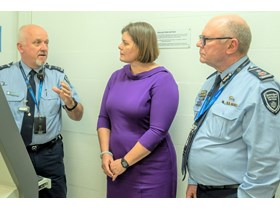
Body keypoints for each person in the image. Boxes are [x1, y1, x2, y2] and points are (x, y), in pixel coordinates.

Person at [181, 14, 280, 198]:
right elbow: (201, 133)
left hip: (235, 194)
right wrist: (194, 180)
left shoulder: (259, 88)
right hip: (203, 190)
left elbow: (267, 161)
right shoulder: (212, 82)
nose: (198, 44)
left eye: (205, 39)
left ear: (231, 46)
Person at [0, 24, 84, 198]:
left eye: (46, 43)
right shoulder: (4, 76)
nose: (44, 48)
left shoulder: (57, 76)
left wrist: (70, 103)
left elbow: (78, 115)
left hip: (50, 155)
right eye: (37, 42)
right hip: (14, 154)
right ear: (20, 47)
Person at [97, 22, 179, 198]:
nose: (120, 46)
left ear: (142, 46)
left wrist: (125, 163)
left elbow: (157, 131)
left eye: (125, 43)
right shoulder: (117, 76)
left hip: (150, 171)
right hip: (116, 166)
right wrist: (105, 153)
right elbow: (104, 118)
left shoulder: (162, 80)